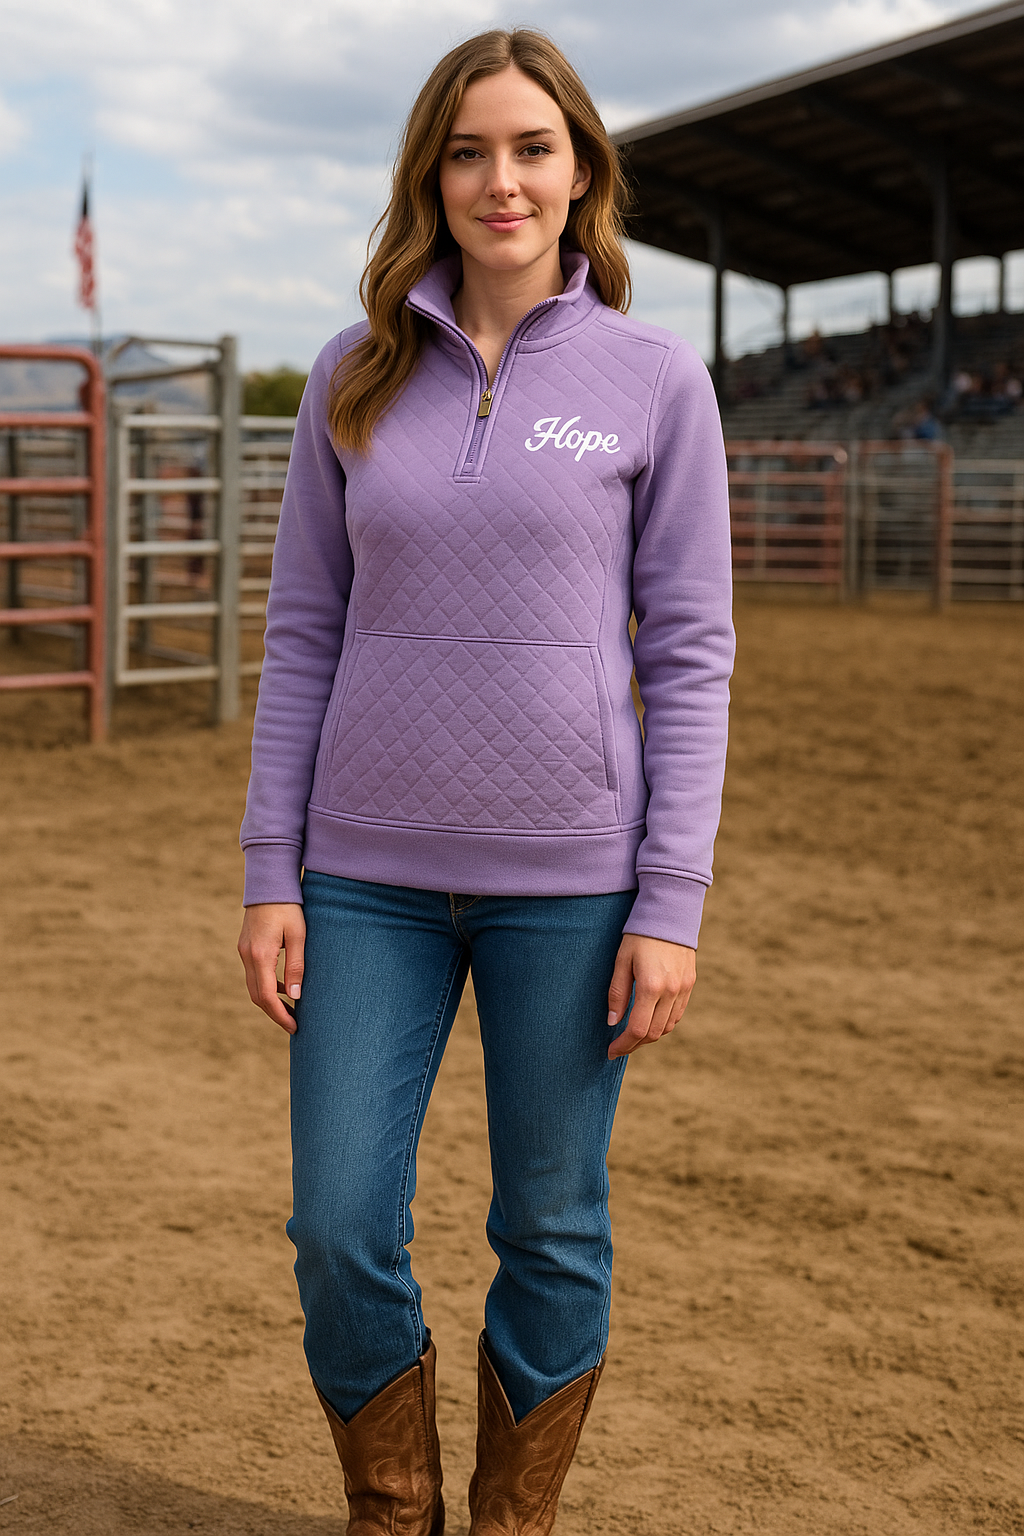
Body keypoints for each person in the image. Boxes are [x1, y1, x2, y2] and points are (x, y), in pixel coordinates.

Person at [237, 28, 734, 1536]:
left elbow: (696, 651)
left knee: (552, 1224)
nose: (498, 179)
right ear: (428, 175)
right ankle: (394, 1510)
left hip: (575, 887)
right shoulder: (356, 369)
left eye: (530, 148)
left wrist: (674, 899)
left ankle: (512, 1521)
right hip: (364, 878)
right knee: (336, 1225)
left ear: (582, 172)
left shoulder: (653, 379)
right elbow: (305, 630)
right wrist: (272, 867)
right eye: (467, 150)